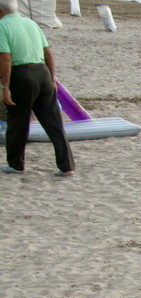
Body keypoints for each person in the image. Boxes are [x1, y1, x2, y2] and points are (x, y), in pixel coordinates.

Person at [0, 0, 75, 176]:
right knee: (54, 122)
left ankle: (16, 165)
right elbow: (48, 52)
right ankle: (67, 167)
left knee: (17, 121)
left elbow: (5, 59)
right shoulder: (31, 23)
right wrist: (52, 77)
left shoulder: (2, 26)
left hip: (21, 74)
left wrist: (6, 86)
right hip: (42, 72)